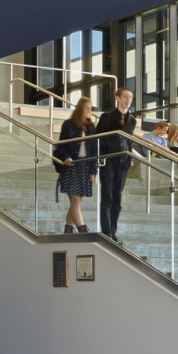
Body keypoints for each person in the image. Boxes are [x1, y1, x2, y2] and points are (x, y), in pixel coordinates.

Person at [95, 87, 137, 241]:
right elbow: (98, 136)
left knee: (117, 200)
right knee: (107, 197)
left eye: (130, 97)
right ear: (117, 98)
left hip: (123, 162)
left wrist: (130, 157)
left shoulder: (132, 120)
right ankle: (107, 232)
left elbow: (129, 140)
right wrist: (99, 156)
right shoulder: (106, 117)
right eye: (125, 96)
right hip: (108, 160)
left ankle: (113, 231)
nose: (128, 100)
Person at [52, 96, 97, 233]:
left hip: (85, 167)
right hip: (71, 166)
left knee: (75, 203)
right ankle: (83, 231)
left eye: (90, 108)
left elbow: (94, 149)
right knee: (75, 202)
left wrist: (93, 170)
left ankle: (68, 230)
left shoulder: (91, 127)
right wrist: (66, 157)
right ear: (80, 109)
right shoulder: (68, 124)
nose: (89, 111)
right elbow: (61, 145)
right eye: (87, 108)